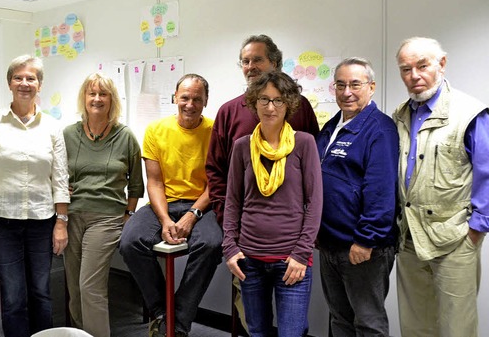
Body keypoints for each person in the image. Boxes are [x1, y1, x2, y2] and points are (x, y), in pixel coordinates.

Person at [205, 34, 319, 332]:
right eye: (246, 61)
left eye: (258, 59)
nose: (251, 66)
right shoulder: (233, 120)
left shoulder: (303, 123)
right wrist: (230, 239)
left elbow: (313, 192)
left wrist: (302, 250)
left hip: (290, 249)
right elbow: (222, 181)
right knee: (253, 327)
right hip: (247, 247)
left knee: (292, 329)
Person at [393, 37, 489, 337]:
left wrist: (477, 228)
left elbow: (487, 173)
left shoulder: (470, 112)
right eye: (406, 69)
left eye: (422, 66)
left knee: (456, 327)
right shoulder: (400, 115)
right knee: (414, 325)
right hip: (408, 238)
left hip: (455, 238)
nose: (414, 76)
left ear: (442, 64)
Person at [0, 55, 70, 337]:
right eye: (18, 78)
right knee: (13, 296)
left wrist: (61, 223)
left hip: (42, 220)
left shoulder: (51, 126)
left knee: (41, 292)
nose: (25, 83)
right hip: (2, 221)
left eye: (31, 78)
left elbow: (60, 178)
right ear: (9, 83)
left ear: (40, 84)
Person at [120, 74, 222, 337]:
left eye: (197, 99)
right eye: (185, 97)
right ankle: (161, 312)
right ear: (175, 97)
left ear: (206, 101)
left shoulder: (216, 131)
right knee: (130, 242)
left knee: (211, 244)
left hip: (203, 205)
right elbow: (153, 182)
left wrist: (192, 214)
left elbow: (216, 184)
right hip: (165, 202)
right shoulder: (156, 130)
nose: (190, 104)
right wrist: (165, 219)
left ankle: (178, 321)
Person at [315, 57, 398, 336]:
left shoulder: (380, 128)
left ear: (371, 87)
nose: (346, 91)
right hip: (330, 244)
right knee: (339, 319)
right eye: (340, 84)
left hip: (363, 247)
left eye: (355, 84)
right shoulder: (331, 126)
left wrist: (365, 239)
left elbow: (380, 190)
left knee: (368, 323)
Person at [63, 73, 144, 337]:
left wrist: (129, 214)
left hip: (106, 217)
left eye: (103, 94)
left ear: (112, 100)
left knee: (90, 287)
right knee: (74, 288)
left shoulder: (125, 136)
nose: (97, 99)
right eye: (92, 93)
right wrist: (60, 188)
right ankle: (79, 334)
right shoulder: (69, 134)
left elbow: (136, 183)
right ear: (84, 98)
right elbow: (56, 172)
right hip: (72, 215)